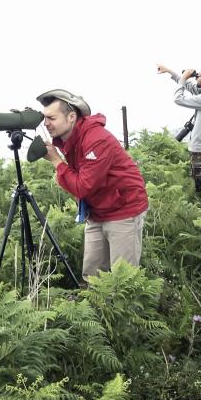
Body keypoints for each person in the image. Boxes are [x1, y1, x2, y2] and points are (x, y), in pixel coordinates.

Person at [37, 89, 149, 282]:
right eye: (44, 118)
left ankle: (126, 313)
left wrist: (57, 162)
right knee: (92, 276)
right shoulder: (70, 138)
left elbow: (82, 186)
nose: (46, 124)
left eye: (51, 118)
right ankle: (95, 310)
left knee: (124, 280)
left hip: (124, 209)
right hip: (97, 211)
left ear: (71, 116)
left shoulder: (95, 139)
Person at [156, 65, 201, 199]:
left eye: (198, 76)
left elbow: (178, 99)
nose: (196, 78)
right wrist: (169, 70)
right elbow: (189, 86)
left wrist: (183, 78)